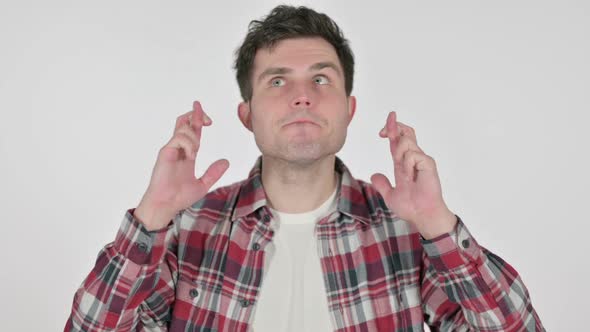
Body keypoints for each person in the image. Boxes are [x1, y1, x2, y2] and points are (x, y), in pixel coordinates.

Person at [64, 5, 544, 332]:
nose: (302, 95)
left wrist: (440, 226)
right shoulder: (188, 227)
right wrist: (151, 218)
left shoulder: (408, 232)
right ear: (247, 114)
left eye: (321, 78)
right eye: (277, 81)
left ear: (349, 109)